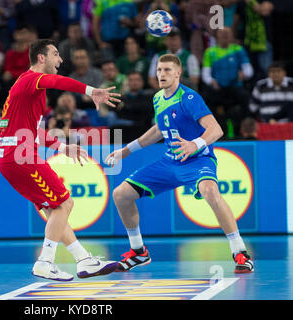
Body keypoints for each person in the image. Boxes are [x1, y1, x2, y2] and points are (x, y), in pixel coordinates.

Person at [105, 53, 254, 274]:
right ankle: (139, 252)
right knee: (121, 194)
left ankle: (240, 252)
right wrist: (125, 151)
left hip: (198, 159)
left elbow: (216, 130)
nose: (162, 74)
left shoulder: (189, 98)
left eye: (167, 70)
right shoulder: (157, 98)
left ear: (178, 73)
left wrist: (195, 144)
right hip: (170, 161)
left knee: (210, 190)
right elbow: (157, 131)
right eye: (158, 70)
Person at [0, 39, 120, 281]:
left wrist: (62, 147)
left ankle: (84, 260)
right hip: (21, 157)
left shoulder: (27, 88)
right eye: (55, 54)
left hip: (12, 157)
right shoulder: (33, 79)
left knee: (56, 210)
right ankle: (45, 261)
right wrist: (90, 90)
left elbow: (34, 131)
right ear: (41, 58)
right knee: (64, 204)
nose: (61, 59)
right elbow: (59, 81)